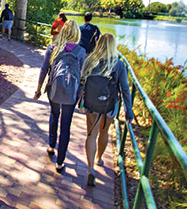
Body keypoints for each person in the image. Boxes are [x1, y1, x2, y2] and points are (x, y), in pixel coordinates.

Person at [80, 33, 134, 186]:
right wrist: (129, 111)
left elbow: (83, 80)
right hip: (110, 105)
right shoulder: (119, 64)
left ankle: (90, 169)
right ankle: (99, 159)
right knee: (104, 132)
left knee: (91, 134)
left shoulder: (90, 60)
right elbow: (125, 90)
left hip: (91, 104)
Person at [33, 20, 86, 173]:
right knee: (66, 125)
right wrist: (81, 94)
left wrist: (38, 89)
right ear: (76, 34)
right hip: (71, 92)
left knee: (54, 115)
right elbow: (82, 75)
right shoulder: (81, 51)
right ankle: (60, 162)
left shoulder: (53, 48)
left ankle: (51, 145)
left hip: (54, 89)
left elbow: (44, 69)